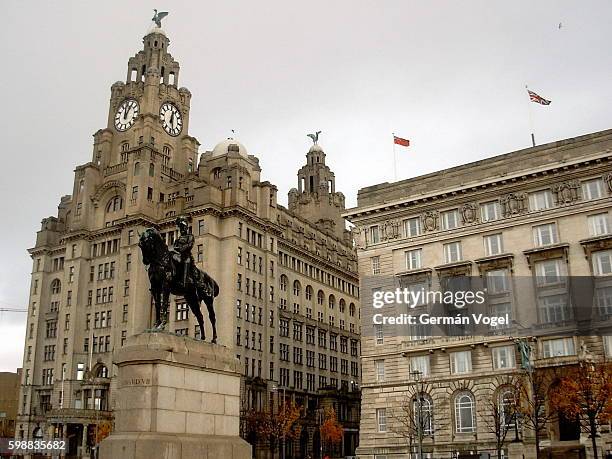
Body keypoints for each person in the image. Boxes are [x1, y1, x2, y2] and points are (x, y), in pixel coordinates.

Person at [172, 216, 195, 288]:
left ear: (186, 228)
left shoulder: (190, 236)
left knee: (186, 262)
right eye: (181, 227)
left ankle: (185, 282)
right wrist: (178, 249)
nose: (182, 229)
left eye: (183, 227)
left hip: (186, 255)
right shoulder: (178, 239)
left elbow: (190, 245)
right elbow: (175, 247)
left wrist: (181, 248)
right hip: (178, 255)